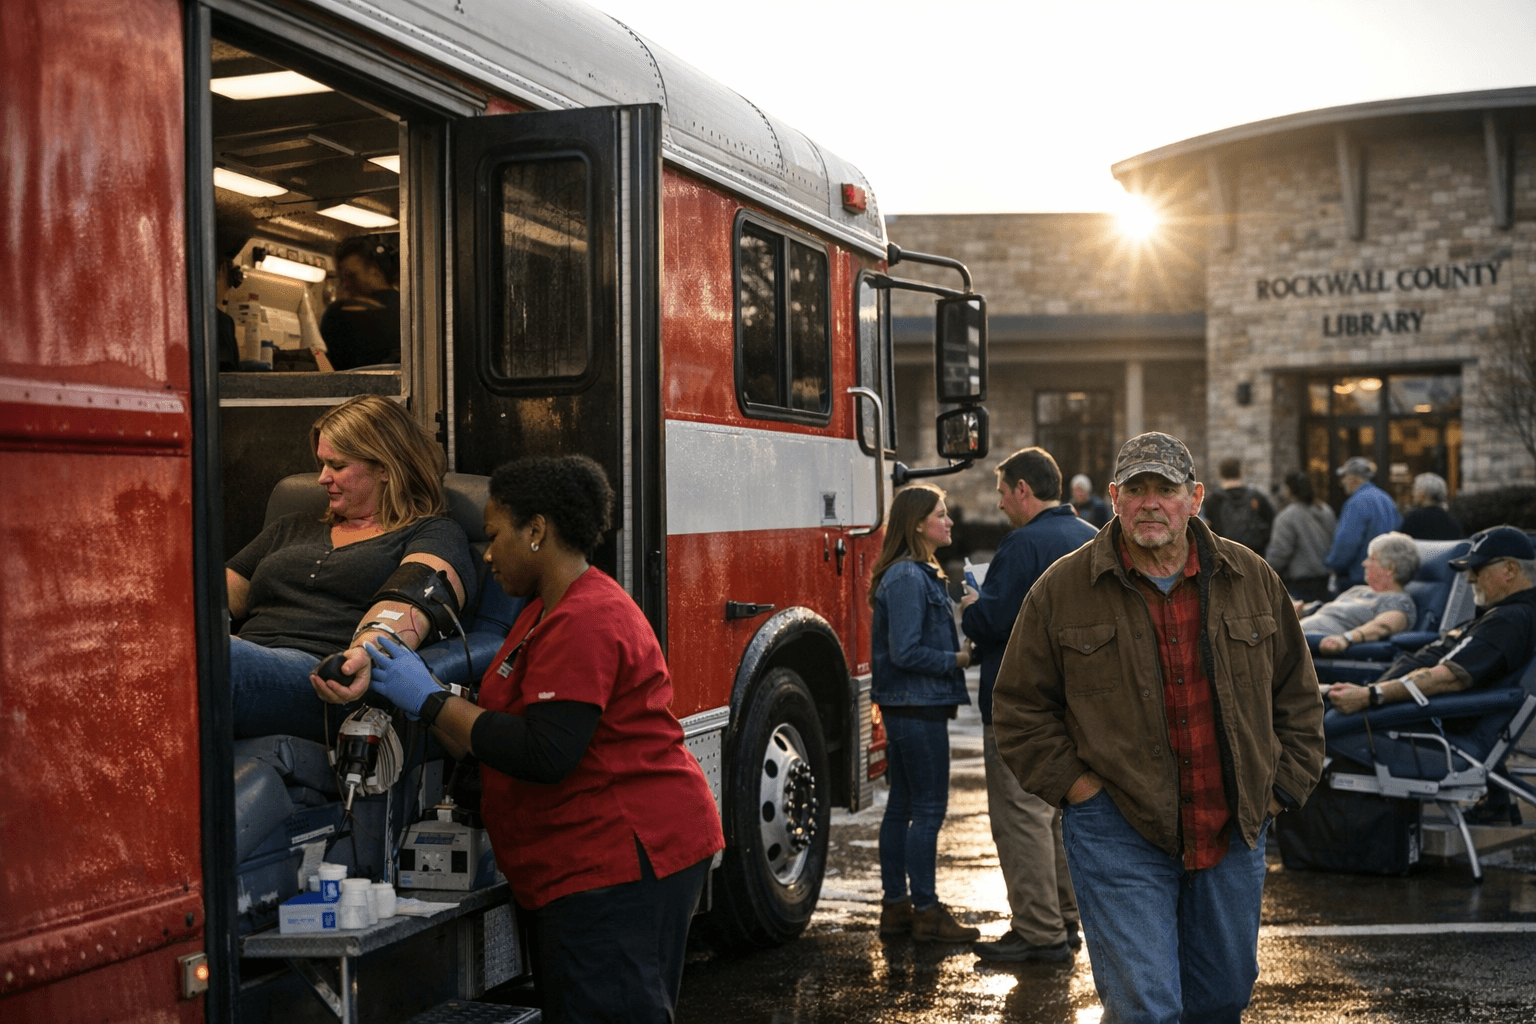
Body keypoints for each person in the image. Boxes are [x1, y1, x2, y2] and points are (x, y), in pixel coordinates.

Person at [327, 454, 723, 1024]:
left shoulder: (586, 618)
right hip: (578, 862)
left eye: (494, 537)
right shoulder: (541, 612)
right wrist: (424, 697)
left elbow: (546, 751)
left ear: (536, 530)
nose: (487, 555)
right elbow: (494, 729)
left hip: (621, 860)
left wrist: (430, 699)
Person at [992, 431, 1325, 1024]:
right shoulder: (1062, 589)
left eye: (1165, 489)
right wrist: (1081, 792)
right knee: (1145, 1009)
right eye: (1136, 489)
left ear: (1194, 498)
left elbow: (1297, 697)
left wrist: (1277, 792)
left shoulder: (1251, 577)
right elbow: (1020, 709)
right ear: (1114, 498)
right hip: (1117, 831)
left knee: (1222, 999)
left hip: (1231, 826)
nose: (1150, 503)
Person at [226, 394, 476, 743]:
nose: (322, 478)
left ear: (385, 468)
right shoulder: (291, 526)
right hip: (248, 657)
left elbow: (410, 601)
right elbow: (212, 596)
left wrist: (364, 655)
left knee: (219, 660)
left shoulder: (431, 532)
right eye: (322, 464)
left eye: (338, 465)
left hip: (328, 678)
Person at [960, 448, 1096, 964]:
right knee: (1058, 816)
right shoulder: (1090, 536)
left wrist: (972, 607)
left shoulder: (1023, 543)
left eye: (1002, 492)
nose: (999, 504)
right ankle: (1064, 917)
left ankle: (1039, 932)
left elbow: (993, 621)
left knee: (1020, 817)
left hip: (1021, 706)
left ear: (1023, 489)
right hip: (1077, 704)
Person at [1324, 526, 1536, 824]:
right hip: (1414, 710)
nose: (1470, 578)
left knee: (1311, 723)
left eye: (1476, 570)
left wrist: (1371, 695)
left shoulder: (1509, 620)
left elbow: (1446, 677)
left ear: (1510, 570)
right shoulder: (1503, 613)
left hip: (1425, 722)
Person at [869, 485, 979, 943]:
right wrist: (958, 659)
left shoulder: (914, 573)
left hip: (910, 705)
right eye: (941, 514)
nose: (950, 521)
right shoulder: (908, 578)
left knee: (903, 805)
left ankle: (897, 908)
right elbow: (907, 651)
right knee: (928, 809)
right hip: (917, 706)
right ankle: (927, 911)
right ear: (917, 524)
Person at [1301, 531, 1419, 655]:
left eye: (1372, 559)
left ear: (1390, 568)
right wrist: (1302, 610)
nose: (1364, 563)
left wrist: (1346, 638)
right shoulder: (1358, 590)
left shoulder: (1399, 601)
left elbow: (1382, 626)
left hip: (1314, 644)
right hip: (1298, 634)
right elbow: (1329, 612)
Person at [319, 234, 401, 369]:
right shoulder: (407, 308)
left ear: (375, 272)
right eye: (343, 278)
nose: (346, 284)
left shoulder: (339, 312)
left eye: (352, 276)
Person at [1326, 455, 1402, 590]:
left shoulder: (1357, 502)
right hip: (1385, 575)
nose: (1342, 482)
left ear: (1354, 478)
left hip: (1359, 577)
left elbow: (1347, 542)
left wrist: (1334, 564)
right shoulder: (1386, 499)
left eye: (1345, 477)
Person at [1265, 471, 1337, 603]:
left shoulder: (1286, 517)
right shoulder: (1326, 510)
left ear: (1288, 490)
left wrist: (1265, 572)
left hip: (1300, 583)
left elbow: (1280, 552)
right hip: (1326, 580)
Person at [1203, 456, 1276, 553]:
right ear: (1241, 471)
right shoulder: (1256, 497)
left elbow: (1205, 531)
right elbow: (1273, 522)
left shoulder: (1212, 501)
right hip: (1254, 554)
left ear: (1219, 473)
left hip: (1226, 555)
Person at [1400, 472, 1464, 540]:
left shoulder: (1412, 520)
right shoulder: (1453, 521)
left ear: (1422, 493)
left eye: (1415, 489)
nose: (1413, 493)